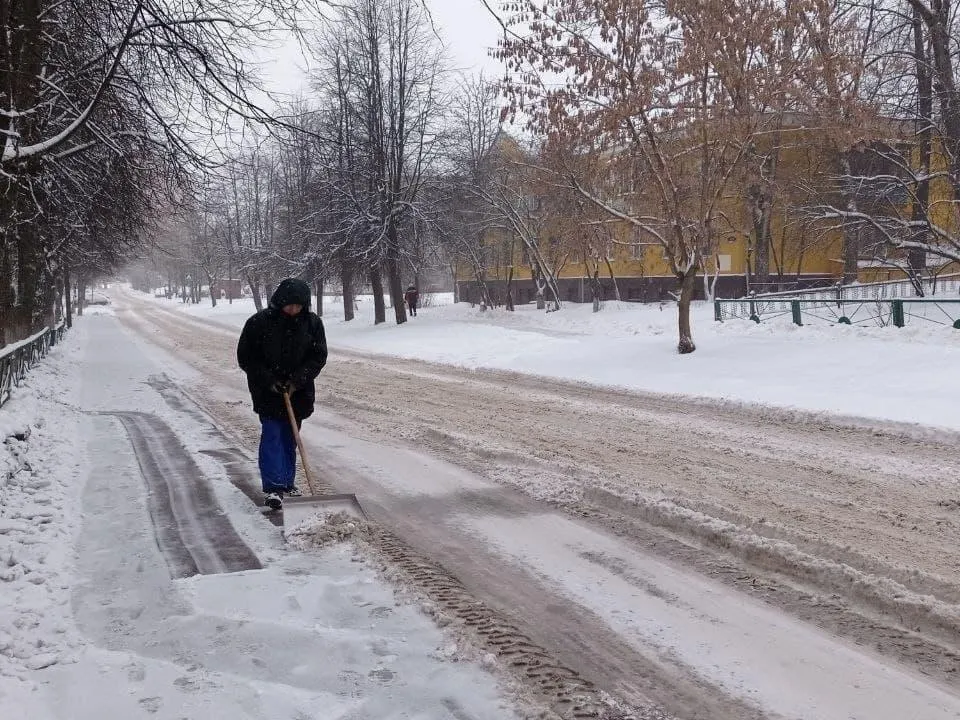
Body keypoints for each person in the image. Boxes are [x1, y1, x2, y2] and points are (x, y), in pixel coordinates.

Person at [237, 279, 327, 510]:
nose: (293, 310)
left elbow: (318, 357)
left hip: (298, 392)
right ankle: (274, 487)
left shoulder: (312, 324)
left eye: (298, 306)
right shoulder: (259, 323)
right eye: (289, 305)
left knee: (291, 436)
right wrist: (270, 381)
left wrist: (297, 380)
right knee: (273, 436)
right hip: (268, 393)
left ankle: (287, 482)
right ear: (279, 301)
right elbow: (247, 358)